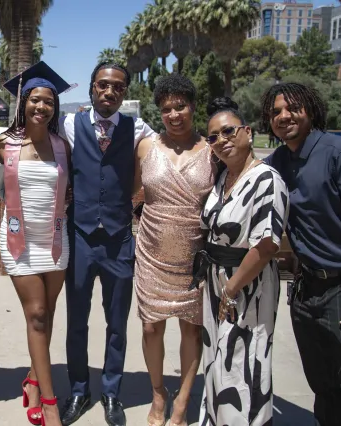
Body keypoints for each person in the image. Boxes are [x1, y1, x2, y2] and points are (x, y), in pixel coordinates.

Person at [58, 61, 155, 426]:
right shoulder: (70, 125)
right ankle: (79, 389)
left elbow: (154, 165)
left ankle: (111, 392)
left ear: (125, 91)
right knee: (77, 321)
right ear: (92, 89)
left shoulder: (139, 128)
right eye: (102, 85)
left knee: (117, 323)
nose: (109, 91)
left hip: (118, 240)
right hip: (80, 237)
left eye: (117, 86)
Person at [198, 97, 289, 425]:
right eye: (212, 137)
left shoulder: (268, 180)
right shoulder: (223, 179)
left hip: (247, 286)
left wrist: (231, 289)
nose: (220, 141)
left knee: (243, 362)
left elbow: (266, 245)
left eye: (228, 132)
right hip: (217, 283)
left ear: (247, 133)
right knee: (217, 361)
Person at [262, 83, 341, 426]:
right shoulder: (279, 161)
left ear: (310, 110)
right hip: (304, 289)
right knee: (321, 382)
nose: (284, 117)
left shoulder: (337, 152)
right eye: (276, 112)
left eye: (292, 108)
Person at [133, 74, 216, 426]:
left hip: (193, 257)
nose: (174, 114)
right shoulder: (146, 147)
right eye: (166, 108)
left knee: (191, 329)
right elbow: (132, 194)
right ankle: (157, 393)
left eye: (180, 106)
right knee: (151, 328)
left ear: (192, 107)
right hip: (151, 250)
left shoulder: (213, 150)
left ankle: (182, 400)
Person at [0, 61, 71, 426]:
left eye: (48, 102)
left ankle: (34, 382)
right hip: (18, 239)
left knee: (46, 315)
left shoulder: (62, 146)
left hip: (54, 239)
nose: (41, 107)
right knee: (37, 314)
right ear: (23, 102)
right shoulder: (3, 144)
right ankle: (51, 404)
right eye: (35, 100)